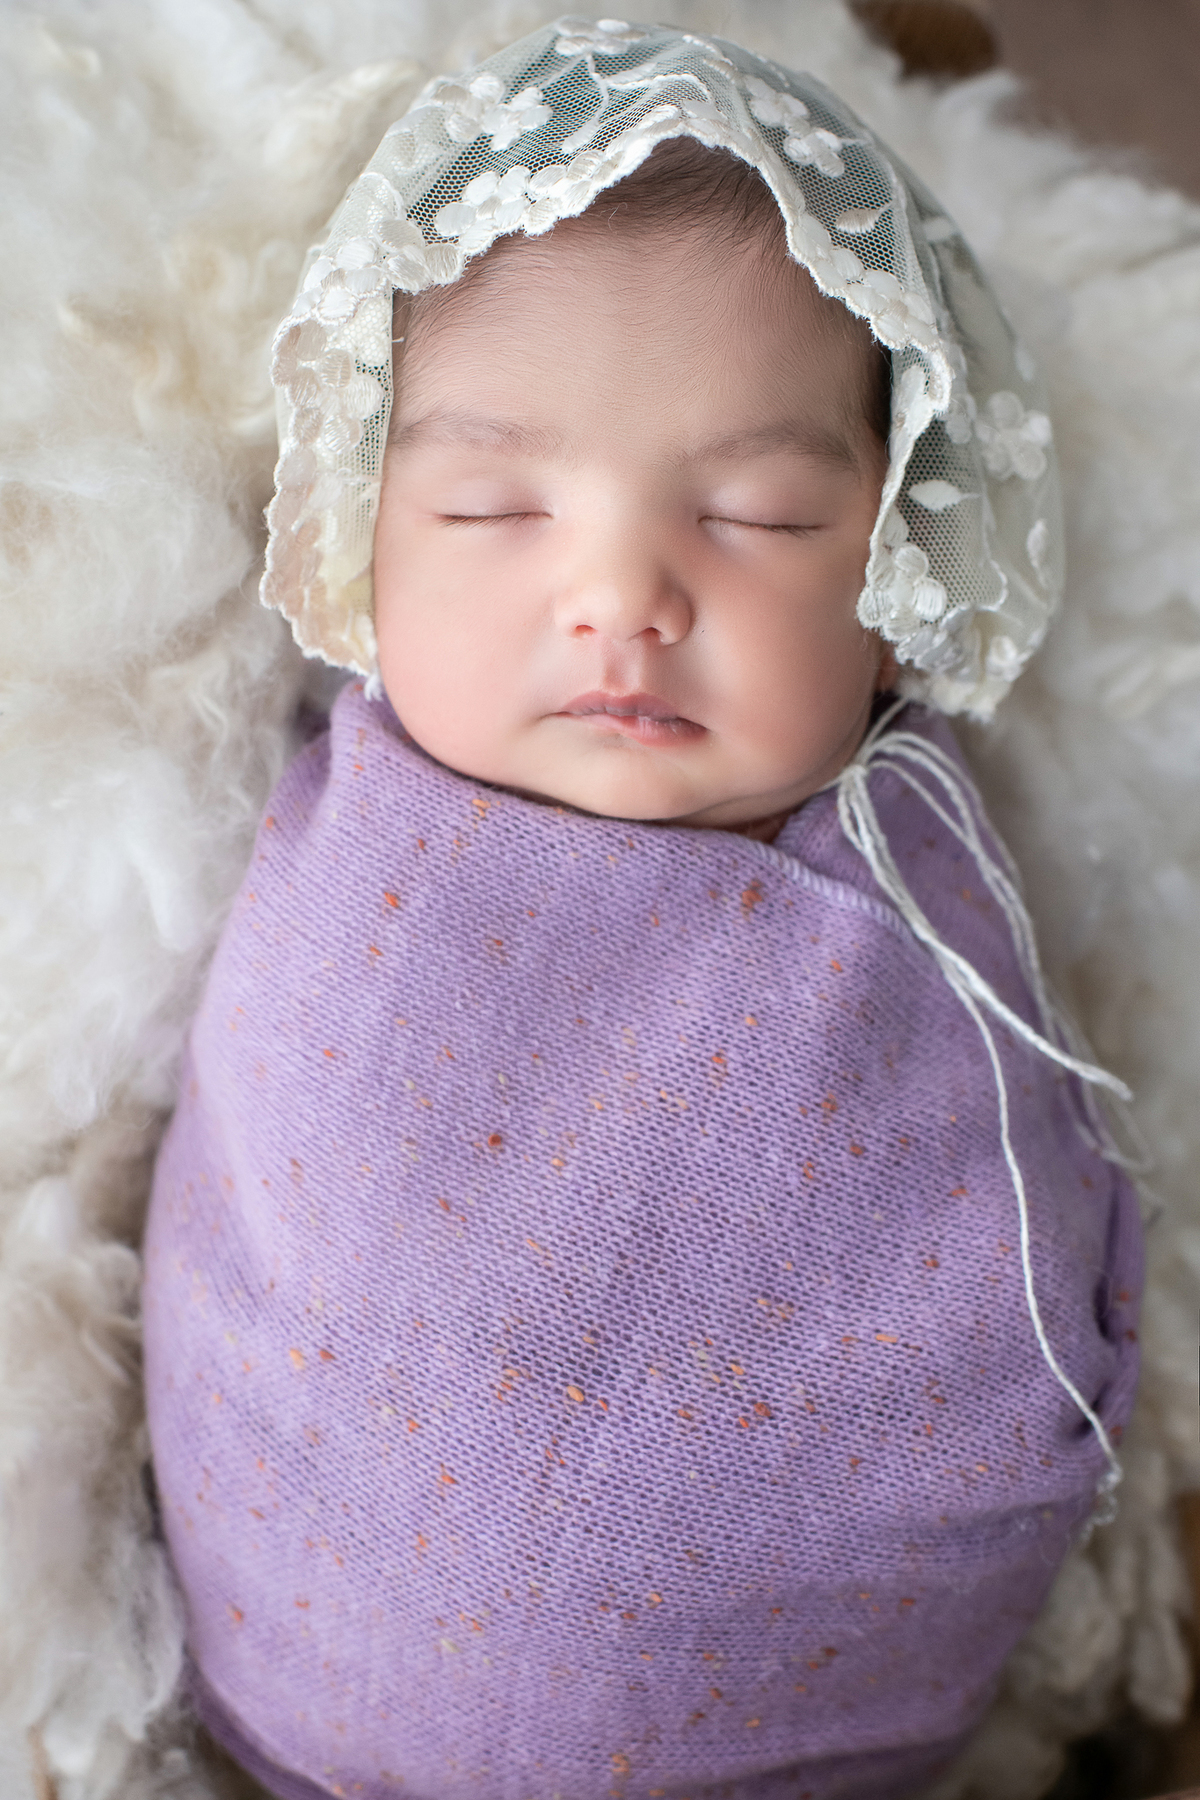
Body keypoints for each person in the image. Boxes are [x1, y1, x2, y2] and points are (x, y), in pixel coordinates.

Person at [141, 21, 1143, 1800]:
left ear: (900, 559)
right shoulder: (348, 841)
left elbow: (1027, 1263)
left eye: (756, 513)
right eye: (492, 504)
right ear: (361, 531)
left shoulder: (915, 880)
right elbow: (271, 1244)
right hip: (288, 1706)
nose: (619, 596)